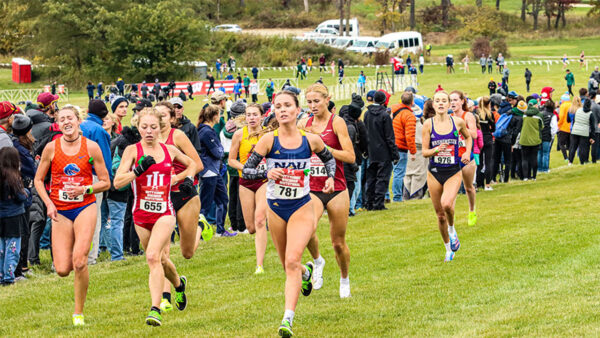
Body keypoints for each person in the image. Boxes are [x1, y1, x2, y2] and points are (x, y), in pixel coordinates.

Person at [241, 89, 335, 337]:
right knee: (288, 265)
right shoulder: (268, 141)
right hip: (276, 207)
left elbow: (329, 159)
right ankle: (306, 273)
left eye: (287, 106)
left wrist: (330, 178)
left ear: (296, 110)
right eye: (278, 106)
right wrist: (266, 173)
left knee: (292, 260)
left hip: (302, 206)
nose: (282, 110)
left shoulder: (310, 140)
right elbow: (246, 171)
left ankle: (287, 320)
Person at [114, 108, 193, 326]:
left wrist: (184, 179)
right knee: (162, 259)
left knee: (151, 257)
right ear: (138, 127)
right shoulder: (132, 150)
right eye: (144, 127)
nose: (149, 131)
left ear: (161, 127)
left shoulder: (170, 150)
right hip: (141, 214)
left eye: (153, 127)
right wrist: (138, 171)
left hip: (164, 213)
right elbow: (118, 182)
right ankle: (179, 285)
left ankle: (155, 309)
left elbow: (193, 164)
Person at [33, 106, 110, 325]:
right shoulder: (51, 148)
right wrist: (48, 203)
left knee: (79, 262)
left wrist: (85, 190)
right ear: (58, 124)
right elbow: (39, 180)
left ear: (78, 121)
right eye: (62, 119)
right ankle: (74, 258)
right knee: (62, 269)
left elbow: (105, 182)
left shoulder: (91, 147)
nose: (66, 122)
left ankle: (78, 313)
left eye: (70, 118)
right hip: (60, 210)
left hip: (85, 206)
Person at [299, 83, 355, 298]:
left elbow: (350, 156)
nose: (313, 106)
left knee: (338, 242)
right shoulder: (304, 123)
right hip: (312, 187)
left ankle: (344, 279)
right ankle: (317, 261)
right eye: (309, 102)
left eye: (317, 101)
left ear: (327, 99)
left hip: (337, 187)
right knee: (306, 230)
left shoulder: (337, 122)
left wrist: (324, 147)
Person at [421, 91, 472, 262]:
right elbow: (424, 152)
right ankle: (448, 248)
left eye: (444, 101)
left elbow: (469, 137)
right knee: (440, 215)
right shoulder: (428, 124)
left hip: (453, 171)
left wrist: (468, 153)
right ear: (433, 105)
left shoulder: (457, 122)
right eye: (438, 101)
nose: (441, 103)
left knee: (447, 204)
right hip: (434, 172)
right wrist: (436, 150)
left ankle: (452, 231)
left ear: (449, 104)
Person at [228, 104, 268, 274]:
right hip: (245, 181)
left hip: (264, 180)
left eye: (255, 114)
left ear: (261, 116)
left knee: (260, 220)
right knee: (251, 227)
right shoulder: (239, 134)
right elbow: (231, 160)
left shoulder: (268, 134)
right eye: (249, 115)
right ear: (245, 117)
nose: (252, 118)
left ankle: (259, 265)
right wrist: (245, 168)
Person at [80, 100, 113, 265]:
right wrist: (108, 179)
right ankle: (91, 256)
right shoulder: (100, 130)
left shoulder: (80, 125)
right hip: (93, 177)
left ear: (87, 111)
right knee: (95, 218)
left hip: (76, 176)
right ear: (105, 115)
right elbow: (105, 159)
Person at [197, 104, 234, 237]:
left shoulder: (207, 130)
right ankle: (199, 233)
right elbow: (218, 152)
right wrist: (222, 151)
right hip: (208, 172)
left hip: (214, 171)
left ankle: (220, 230)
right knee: (205, 206)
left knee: (223, 199)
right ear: (214, 116)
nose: (220, 117)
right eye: (219, 114)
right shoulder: (206, 132)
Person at [364, 91, 399, 210]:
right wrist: (395, 154)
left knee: (372, 177)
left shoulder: (367, 114)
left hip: (371, 150)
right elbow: (389, 137)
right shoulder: (385, 116)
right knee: (382, 178)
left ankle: (369, 202)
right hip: (383, 151)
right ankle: (378, 203)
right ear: (384, 101)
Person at [450, 91, 478, 226]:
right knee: (452, 189)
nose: (452, 103)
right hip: (452, 157)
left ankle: (472, 210)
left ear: (462, 101)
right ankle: (451, 214)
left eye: (455, 100)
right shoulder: (448, 117)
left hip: (467, 156)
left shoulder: (468, 116)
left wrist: (461, 128)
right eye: (451, 100)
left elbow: (474, 134)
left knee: (468, 187)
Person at [391, 92, 417, 203]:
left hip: (390, 144)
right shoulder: (409, 115)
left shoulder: (393, 110)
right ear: (412, 102)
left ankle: (387, 195)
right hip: (400, 146)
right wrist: (413, 151)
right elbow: (410, 135)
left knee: (389, 172)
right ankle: (397, 197)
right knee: (399, 172)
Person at [403, 99, 430, 200]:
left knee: (408, 175)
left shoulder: (406, 125)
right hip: (417, 153)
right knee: (418, 175)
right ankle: (415, 195)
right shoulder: (420, 127)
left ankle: (407, 195)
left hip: (410, 152)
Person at [519, 100, 543, 180]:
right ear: (535, 105)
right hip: (534, 139)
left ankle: (525, 177)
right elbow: (542, 126)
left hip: (524, 139)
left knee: (524, 158)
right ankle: (534, 176)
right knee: (534, 158)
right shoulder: (539, 115)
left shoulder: (524, 114)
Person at [476, 96, 496, 190]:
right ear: (488, 104)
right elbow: (494, 127)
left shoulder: (476, 113)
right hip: (487, 137)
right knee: (488, 162)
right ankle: (487, 184)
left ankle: (479, 183)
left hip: (479, 137)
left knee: (479, 162)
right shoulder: (490, 114)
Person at [568, 98, 595, 165]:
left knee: (573, 147)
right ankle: (582, 162)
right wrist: (592, 137)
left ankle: (570, 161)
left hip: (575, 130)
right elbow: (592, 126)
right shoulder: (590, 114)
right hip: (584, 132)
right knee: (583, 148)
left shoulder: (578, 110)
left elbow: (574, 120)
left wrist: (574, 128)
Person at [538, 99, 556, 173]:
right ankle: (545, 169)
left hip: (539, 136)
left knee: (539, 152)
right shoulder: (552, 116)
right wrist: (552, 136)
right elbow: (554, 128)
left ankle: (539, 169)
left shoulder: (540, 114)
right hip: (547, 136)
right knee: (545, 153)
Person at [557, 93, 572, 162]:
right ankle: (571, 157)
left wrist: (558, 125)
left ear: (563, 100)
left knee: (561, 143)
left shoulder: (563, 106)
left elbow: (561, 116)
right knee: (570, 144)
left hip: (563, 127)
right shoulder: (572, 104)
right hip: (571, 127)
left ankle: (566, 158)